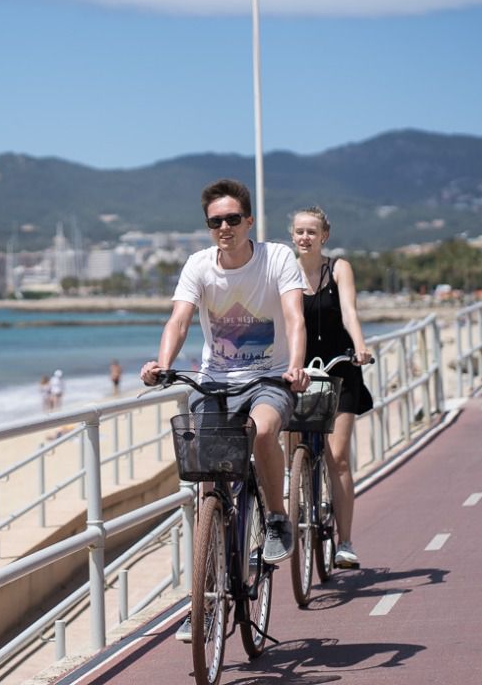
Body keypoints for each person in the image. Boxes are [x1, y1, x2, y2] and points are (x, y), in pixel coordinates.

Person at [138, 178, 309, 642]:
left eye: (233, 219)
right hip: (215, 381)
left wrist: (295, 367)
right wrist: (163, 364)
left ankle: (275, 517)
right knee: (206, 482)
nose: (225, 228)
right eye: (216, 221)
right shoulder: (198, 265)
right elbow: (179, 318)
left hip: (270, 378)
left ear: (249, 221)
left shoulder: (276, 258)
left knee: (261, 431)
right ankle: (207, 595)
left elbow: (294, 317)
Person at [291, 206, 374, 569]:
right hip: (300, 373)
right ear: (292, 236)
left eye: (312, 231)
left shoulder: (338, 268)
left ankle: (345, 542)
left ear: (325, 235)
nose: (305, 237)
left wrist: (360, 347)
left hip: (340, 369)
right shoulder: (286, 271)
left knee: (337, 456)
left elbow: (349, 312)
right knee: (296, 456)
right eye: (299, 231)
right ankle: (299, 508)